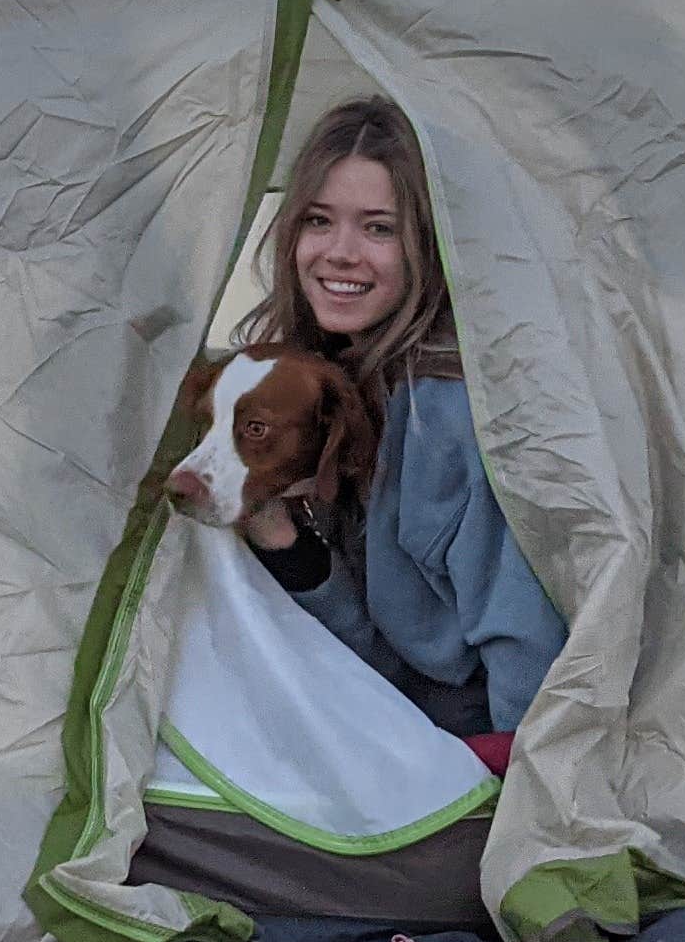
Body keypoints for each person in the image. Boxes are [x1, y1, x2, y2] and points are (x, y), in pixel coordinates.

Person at [230, 95, 565, 761]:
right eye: (319, 221)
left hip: (477, 742)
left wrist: (521, 809)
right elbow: (372, 647)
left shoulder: (444, 413)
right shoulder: (322, 373)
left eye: (379, 229)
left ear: (428, 246)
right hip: (384, 700)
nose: (340, 254)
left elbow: (524, 651)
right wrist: (279, 538)